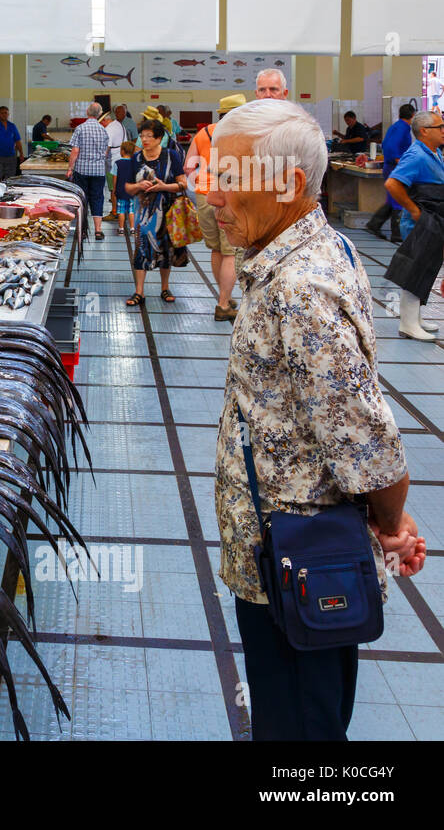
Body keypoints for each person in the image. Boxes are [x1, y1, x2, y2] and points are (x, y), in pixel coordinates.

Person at [207, 98, 422, 740]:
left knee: (301, 732)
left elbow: (367, 443)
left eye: (231, 179)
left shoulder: (298, 289)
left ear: (290, 185)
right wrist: (389, 520)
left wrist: (390, 522)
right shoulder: (304, 250)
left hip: (299, 565)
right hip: (280, 555)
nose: (213, 195)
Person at [184, 93, 248, 321]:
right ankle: (223, 304)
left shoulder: (204, 133)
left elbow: (188, 165)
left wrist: (200, 185)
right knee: (230, 251)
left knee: (216, 249)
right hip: (230, 196)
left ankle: (225, 296)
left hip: (205, 196)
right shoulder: (243, 134)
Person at [384, 110, 444, 340]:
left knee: (426, 267)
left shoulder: (434, 152)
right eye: (439, 126)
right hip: (421, 222)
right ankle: (408, 323)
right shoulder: (417, 155)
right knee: (415, 268)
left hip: (434, 221)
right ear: (424, 131)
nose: (443, 130)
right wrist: (414, 211)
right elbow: (393, 184)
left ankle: (415, 318)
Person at [125, 119, 186, 306]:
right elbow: (127, 188)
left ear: (159, 138)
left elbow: (182, 184)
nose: (144, 139)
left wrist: (164, 186)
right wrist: (137, 185)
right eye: (142, 136)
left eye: (149, 136)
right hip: (143, 212)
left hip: (167, 210)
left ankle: (165, 287)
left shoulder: (171, 156)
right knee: (141, 248)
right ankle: (139, 291)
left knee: (166, 250)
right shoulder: (135, 159)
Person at [367, 104, 415, 242]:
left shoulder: (396, 126)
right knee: (398, 198)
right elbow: (391, 147)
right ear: (412, 115)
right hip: (395, 167)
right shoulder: (403, 128)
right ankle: (397, 232)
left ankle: (375, 224)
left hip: (390, 166)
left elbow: (385, 144)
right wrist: (400, 162)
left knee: (392, 198)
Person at [67, 102, 110, 241]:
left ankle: (82, 231)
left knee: (82, 199)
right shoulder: (103, 130)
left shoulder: (80, 128)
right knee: (97, 198)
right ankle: (98, 231)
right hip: (98, 171)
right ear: (99, 114)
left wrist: (70, 168)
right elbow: (105, 151)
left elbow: (75, 151)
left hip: (82, 170)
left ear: (87, 112)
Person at [101, 110, 125, 222]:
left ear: (107, 120)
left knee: (113, 188)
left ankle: (114, 212)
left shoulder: (109, 129)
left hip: (113, 162)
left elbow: (106, 149)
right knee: (119, 187)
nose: (101, 125)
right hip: (122, 159)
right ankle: (121, 211)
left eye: (102, 122)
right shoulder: (118, 124)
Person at [113, 139, 138, 234]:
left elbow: (115, 178)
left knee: (121, 210)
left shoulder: (117, 163)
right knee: (132, 211)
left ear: (122, 151)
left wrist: (114, 189)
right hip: (132, 190)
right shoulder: (134, 163)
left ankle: (121, 228)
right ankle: (132, 228)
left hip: (121, 190)